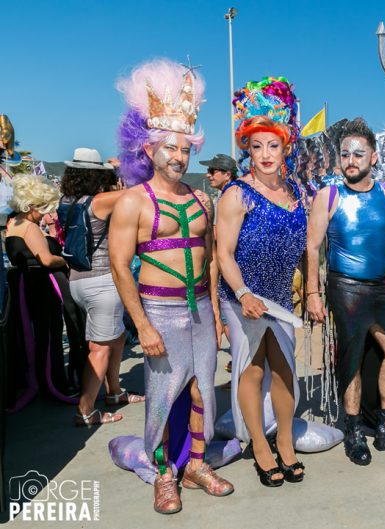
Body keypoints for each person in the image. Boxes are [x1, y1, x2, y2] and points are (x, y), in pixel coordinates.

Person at [109, 59, 233, 514]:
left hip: (200, 311)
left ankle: (196, 464)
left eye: (185, 148)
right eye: (170, 148)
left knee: (203, 391)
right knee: (162, 399)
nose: (179, 156)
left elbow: (211, 260)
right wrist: (142, 325)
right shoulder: (132, 202)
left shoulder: (203, 200)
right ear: (149, 149)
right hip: (159, 313)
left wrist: (215, 313)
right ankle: (164, 474)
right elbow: (120, 266)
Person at [307, 117, 385, 467]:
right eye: (345, 154)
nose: (351, 160)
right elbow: (312, 247)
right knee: (353, 360)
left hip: (378, 289)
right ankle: (354, 429)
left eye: (358, 154)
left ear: (373, 157)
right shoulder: (329, 196)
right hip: (345, 288)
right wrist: (312, 293)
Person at [217, 77, 307, 486]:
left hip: (281, 298)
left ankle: (285, 440)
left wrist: (313, 291)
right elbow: (223, 253)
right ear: (247, 150)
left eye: (273, 145)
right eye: (257, 146)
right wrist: (242, 293)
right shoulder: (236, 194)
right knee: (252, 369)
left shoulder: (297, 193)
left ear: (286, 147)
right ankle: (259, 445)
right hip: (244, 298)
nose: (266, 154)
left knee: (285, 370)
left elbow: (309, 247)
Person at [60, 147, 145, 426]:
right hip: (102, 282)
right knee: (100, 348)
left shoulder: (67, 201)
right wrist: (123, 169)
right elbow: (140, 192)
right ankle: (85, 411)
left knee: (116, 337)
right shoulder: (100, 201)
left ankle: (114, 391)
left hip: (78, 280)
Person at [5, 174, 87, 410]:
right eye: (42, 208)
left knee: (32, 336)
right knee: (48, 335)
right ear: (31, 205)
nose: (44, 214)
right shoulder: (30, 227)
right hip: (40, 285)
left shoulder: (13, 224)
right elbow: (46, 259)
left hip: (24, 284)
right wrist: (66, 260)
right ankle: (53, 382)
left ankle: (38, 380)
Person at [199, 153, 237, 367]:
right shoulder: (232, 194)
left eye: (213, 171)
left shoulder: (227, 198)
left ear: (227, 174)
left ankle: (242, 363)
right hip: (234, 267)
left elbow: (220, 238)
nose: (208, 175)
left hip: (230, 269)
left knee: (227, 319)